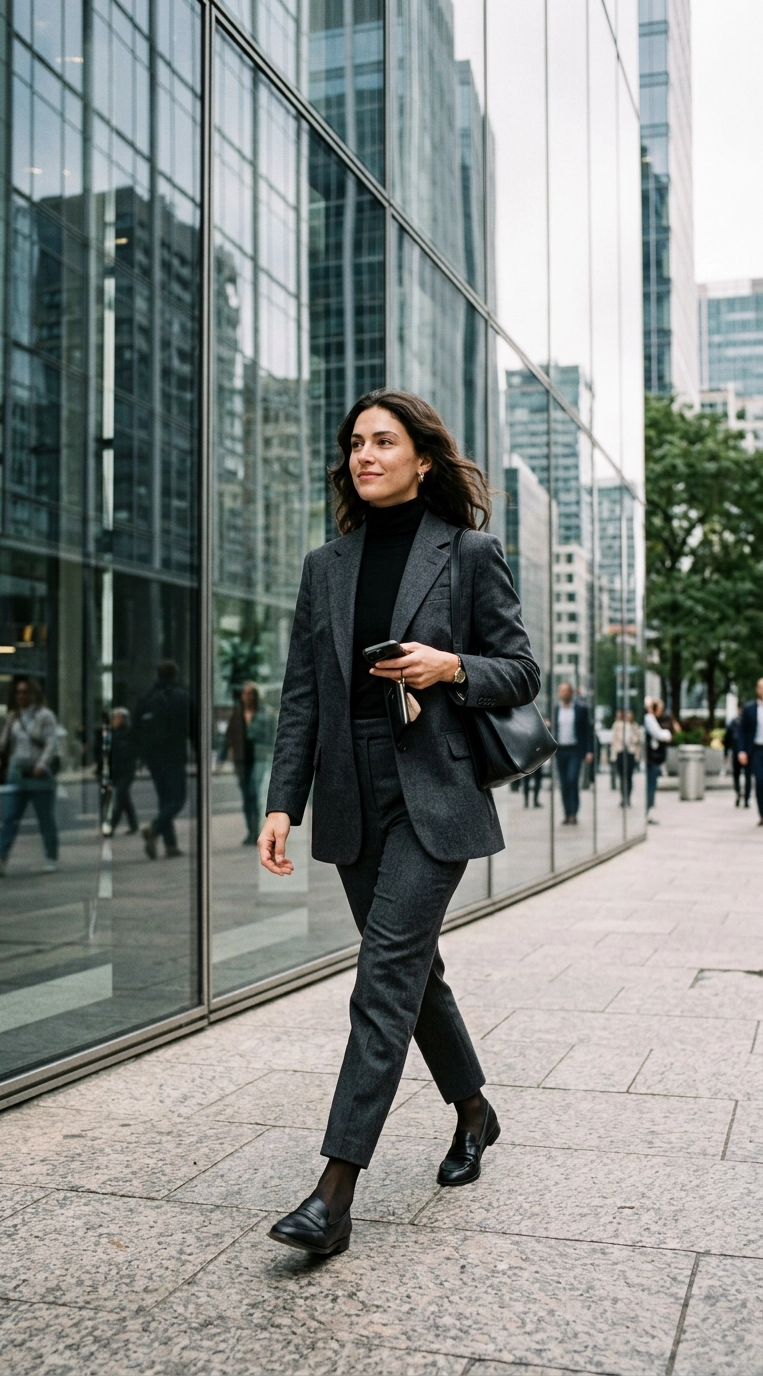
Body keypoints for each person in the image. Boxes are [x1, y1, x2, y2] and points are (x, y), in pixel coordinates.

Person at [258, 389, 540, 1257]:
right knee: (416, 976)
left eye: (383, 441)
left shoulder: (468, 553)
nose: (364, 455)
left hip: (435, 790)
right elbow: (303, 695)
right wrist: (282, 801)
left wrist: (451, 665)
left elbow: (521, 670)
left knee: (382, 977)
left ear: (423, 457)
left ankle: (333, 1194)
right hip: (352, 794)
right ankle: (475, 1112)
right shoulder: (325, 566)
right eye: (354, 443)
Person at [0, 677, 59, 875]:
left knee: (45, 818)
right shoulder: (13, 717)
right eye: (18, 692)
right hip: (17, 772)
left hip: (38, 773)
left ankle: (51, 856)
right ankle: (0, 858)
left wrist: (41, 765)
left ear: (33, 694)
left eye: (25, 692)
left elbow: (51, 743)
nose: (21, 696)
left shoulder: (45, 715)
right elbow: (4, 744)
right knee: (10, 817)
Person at [133, 661, 195, 859]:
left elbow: (136, 729)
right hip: (174, 754)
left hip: (153, 756)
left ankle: (170, 845)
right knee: (177, 799)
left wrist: (140, 756)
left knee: (165, 799)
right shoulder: (181, 696)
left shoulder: (145, 698)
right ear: (175, 675)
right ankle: (154, 828)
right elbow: (194, 727)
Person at [221, 682, 273, 846]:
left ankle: (255, 829)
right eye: (245, 693)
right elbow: (229, 736)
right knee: (246, 796)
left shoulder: (265, 713)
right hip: (241, 759)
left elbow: (271, 735)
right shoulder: (237, 714)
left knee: (253, 793)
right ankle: (250, 831)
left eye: (251, 694)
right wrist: (222, 756)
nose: (248, 697)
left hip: (258, 757)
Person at [553, 682, 593, 824]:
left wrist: (589, 751)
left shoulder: (580, 709)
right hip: (560, 750)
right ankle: (567, 813)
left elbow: (588, 731)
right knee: (563, 783)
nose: (563, 693)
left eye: (566, 691)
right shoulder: (556, 710)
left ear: (571, 693)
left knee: (572, 779)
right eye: (561, 691)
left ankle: (574, 812)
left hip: (575, 750)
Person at [737, 678, 763, 826]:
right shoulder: (750, 709)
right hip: (756, 750)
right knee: (760, 781)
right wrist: (742, 751)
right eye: (761, 688)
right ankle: (762, 813)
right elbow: (742, 732)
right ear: (757, 689)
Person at [644, 697, 673, 823]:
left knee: (652, 785)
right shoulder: (649, 719)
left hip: (654, 759)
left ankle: (647, 813)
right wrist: (667, 734)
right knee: (650, 786)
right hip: (651, 760)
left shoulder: (654, 719)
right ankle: (646, 813)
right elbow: (659, 734)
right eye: (660, 709)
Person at [610, 709, 641, 807]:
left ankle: (628, 797)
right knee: (622, 776)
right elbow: (614, 740)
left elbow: (638, 738)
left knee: (629, 776)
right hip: (620, 751)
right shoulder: (617, 725)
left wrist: (633, 739)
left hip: (630, 752)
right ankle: (623, 797)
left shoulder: (634, 726)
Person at [724, 709, 751, 809]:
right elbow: (727, 739)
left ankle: (745, 797)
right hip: (738, 753)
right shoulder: (733, 723)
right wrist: (726, 753)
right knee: (737, 775)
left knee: (744, 776)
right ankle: (739, 793)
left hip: (747, 754)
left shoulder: (737, 723)